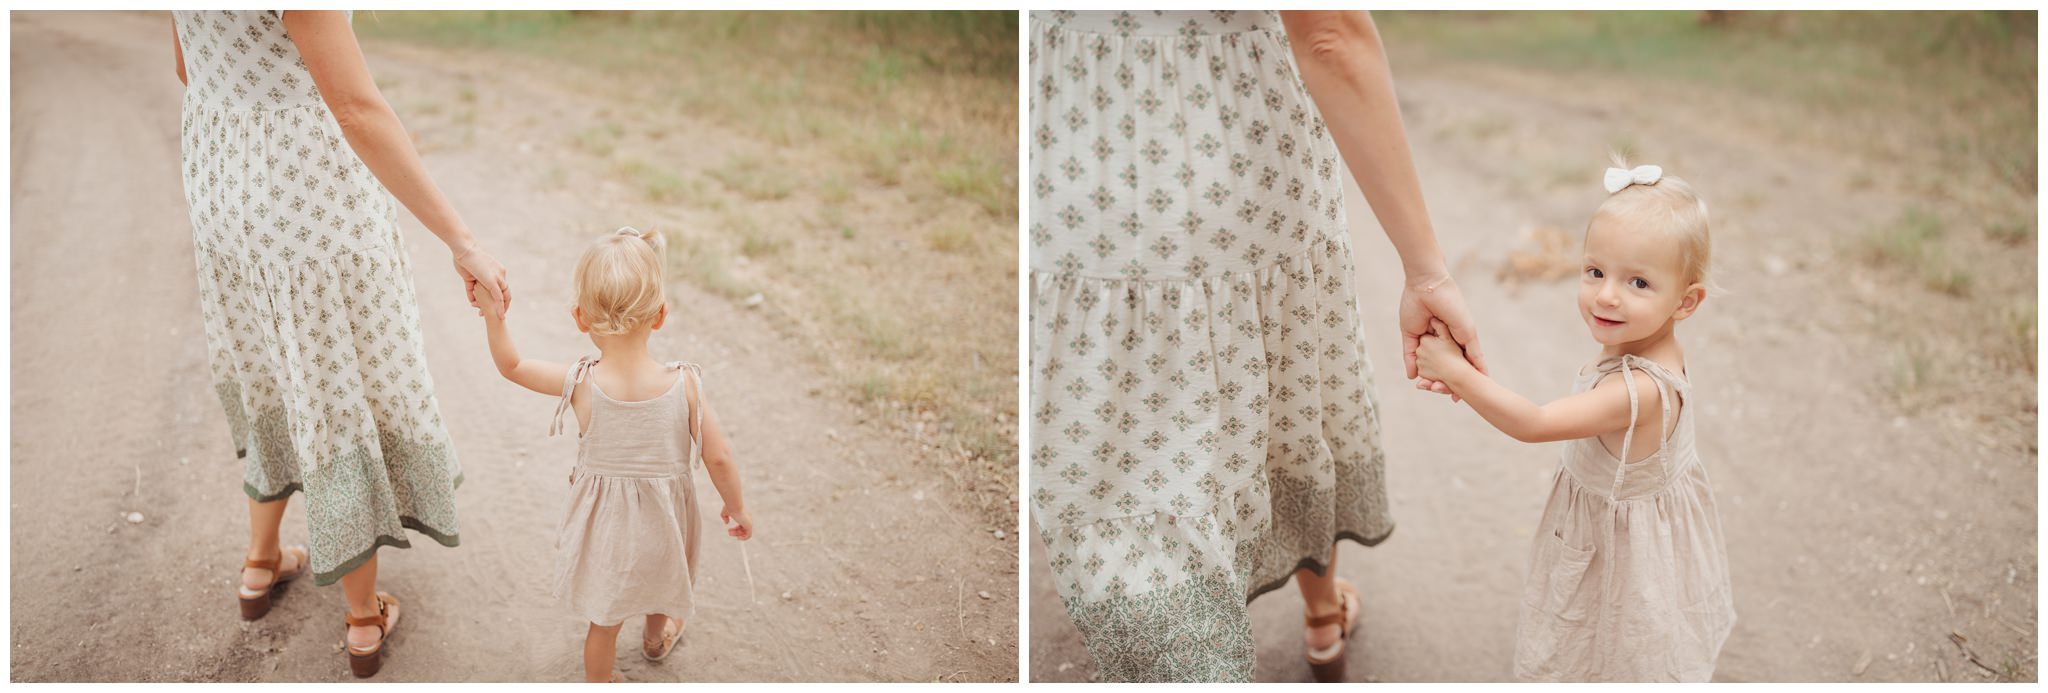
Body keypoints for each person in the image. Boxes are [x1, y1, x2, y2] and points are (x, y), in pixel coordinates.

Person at [1026, 10, 1483, 681]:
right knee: (1284, 400)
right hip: (1241, 165)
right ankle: (1316, 618)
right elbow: (1329, 35)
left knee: (1137, 459)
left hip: (1078, 171)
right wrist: (1426, 268)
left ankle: (1232, 640)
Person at [171, 10, 509, 678]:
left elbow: (188, 66)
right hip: (307, 199)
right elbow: (354, 107)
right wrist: (462, 240)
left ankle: (260, 563)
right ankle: (361, 617)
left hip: (219, 183)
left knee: (272, 374)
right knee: (332, 392)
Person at [1414, 160, 1735, 681]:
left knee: (1608, 641)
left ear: (1687, 301)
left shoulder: (1638, 391)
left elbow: (1535, 423)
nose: (1607, 294)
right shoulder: (1661, 351)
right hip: (1648, 528)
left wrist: (1456, 373)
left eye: (1638, 282)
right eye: (1595, 271)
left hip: (1621, 548)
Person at [479, 227, 754, 682]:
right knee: (663, 580)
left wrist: (494, 315)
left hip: (606, 524)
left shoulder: (582, 381)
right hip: (666, 518)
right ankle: (654, 638)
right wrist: (736, 506)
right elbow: (719, 456)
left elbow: (513, 366)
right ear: (661, 314)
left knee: (603, 623)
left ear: (580, 317)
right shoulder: (685, 384)